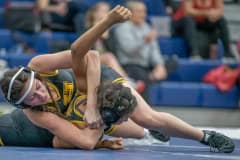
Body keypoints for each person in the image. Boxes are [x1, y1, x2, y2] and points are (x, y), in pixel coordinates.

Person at [0, 5, 234, 153]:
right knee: (136, 130)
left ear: (36, 77)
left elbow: (89, 55)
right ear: (24, 106)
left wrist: (92, 106)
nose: (40, 95)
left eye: (38, 87)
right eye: (32, 98)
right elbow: (85, 143)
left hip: (96, 80)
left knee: (148, 117)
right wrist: (100, 124)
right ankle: (145, 132)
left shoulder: (38, 65)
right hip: (82, 109)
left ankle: (205, 137)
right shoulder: (37, 114)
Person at [85, 2, 145, 93]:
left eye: (107, 11)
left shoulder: (111, 32)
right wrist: (97, 28)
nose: (106, 14)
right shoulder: (87, 28)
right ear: (94, 13)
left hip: (105, 63)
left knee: (109, 57)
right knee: (108, 56)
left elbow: (114, 51)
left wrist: (106, 35)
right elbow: (84, 48)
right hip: (89, 60)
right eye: (103, 11)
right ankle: (127, 82)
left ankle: (125, 82)